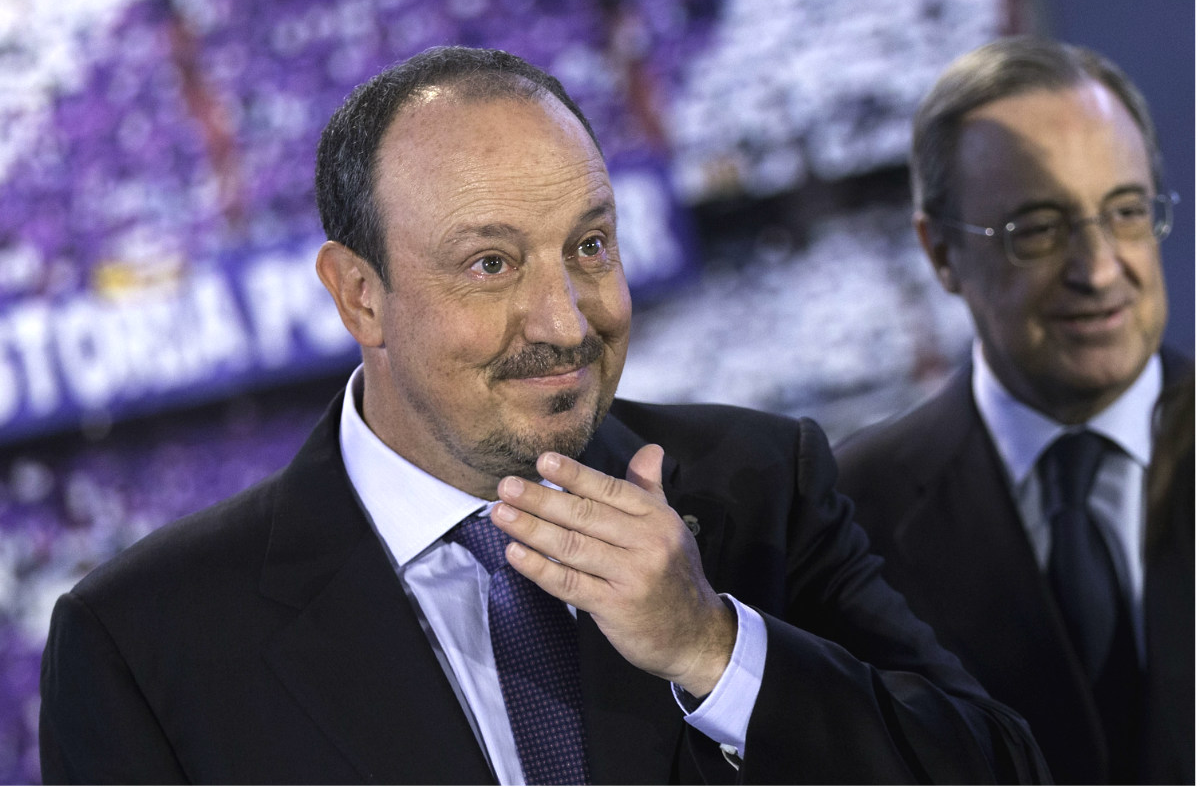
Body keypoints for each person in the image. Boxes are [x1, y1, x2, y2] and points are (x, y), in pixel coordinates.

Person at [40, 46, 1048, 785]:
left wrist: (712, 646)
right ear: (359, 296)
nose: (566, 319)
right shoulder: (145, 638)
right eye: (492, 263)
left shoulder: (759, 484)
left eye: (592, 245)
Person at [835, 36, 1193, 785]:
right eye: (1037, 228)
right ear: (939, 253)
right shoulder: (846, 515)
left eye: (1126, 211)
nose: (1098, 270)